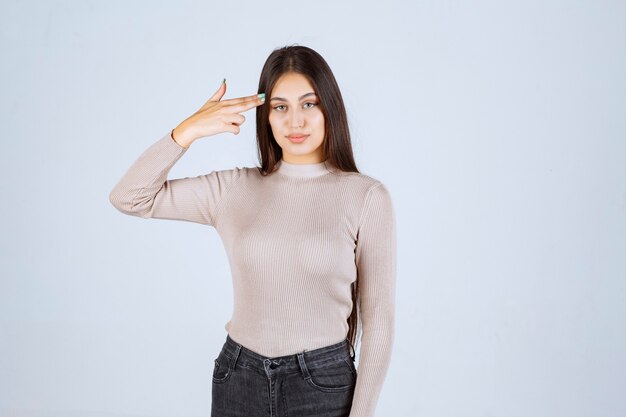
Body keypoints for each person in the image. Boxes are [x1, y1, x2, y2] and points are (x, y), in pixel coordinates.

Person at [109, 45, 396, 417]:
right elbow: (129, 198)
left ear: (330, 108)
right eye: (280, 107)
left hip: (322, 385)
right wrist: (188, 131)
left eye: (309, 104)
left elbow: (380, 322)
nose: (296, 121)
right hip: (239, 379)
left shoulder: (366, 197)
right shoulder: (233, 189)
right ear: (266, 116)